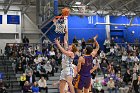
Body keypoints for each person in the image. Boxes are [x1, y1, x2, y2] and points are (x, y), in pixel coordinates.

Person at [55, 29, 77, 93]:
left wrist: (58, 44)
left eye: (71, 45)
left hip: (68, 69)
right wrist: (66, 33)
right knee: (61, 87)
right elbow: (65, 40)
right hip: (63, 69)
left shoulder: (71, 53)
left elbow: (63, 51)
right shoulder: (67, 49)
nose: (69, 45)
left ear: (72, 48)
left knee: (69, 83)